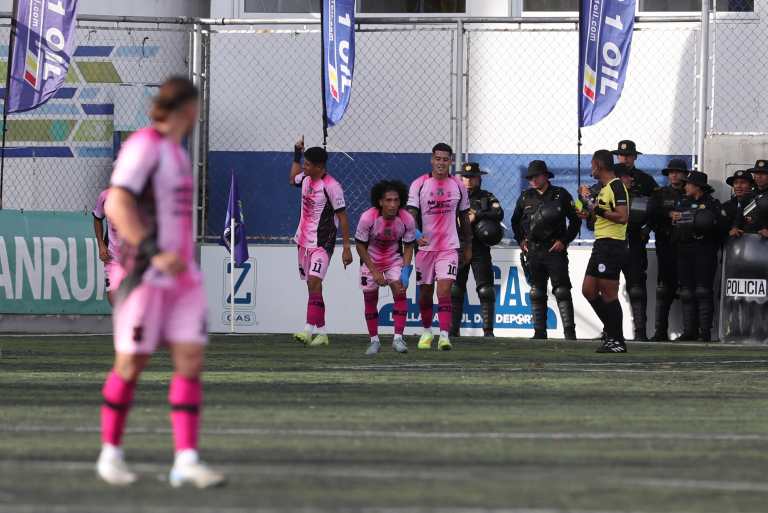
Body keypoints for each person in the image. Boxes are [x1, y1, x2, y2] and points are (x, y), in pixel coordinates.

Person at [97, 77, 224, 488]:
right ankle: (111, 455)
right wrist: (153, 251)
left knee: (190, 361)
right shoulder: (144, 147)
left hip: (182, 281)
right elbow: (117, 202)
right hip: (146, 276)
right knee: (131, 364)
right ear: (188, 108)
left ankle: (186, 460)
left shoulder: (177, 154)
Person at [407, 143, 472, 351]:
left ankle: (444, 335)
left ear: (451, 161)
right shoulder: (419, 184)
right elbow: (410, 215)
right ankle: (427, 331)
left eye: (445, 159)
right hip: (425, 248)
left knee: (444, 290)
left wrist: (468, 245)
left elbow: (464, 216)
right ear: (431, 159)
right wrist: (416, 236)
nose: (441, 163)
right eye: (438, 159)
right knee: (425, 293)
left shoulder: (458, 185)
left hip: (449, 247)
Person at [289, 138, 353, 347]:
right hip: (303, 241)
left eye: (308, 164)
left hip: (322, 244)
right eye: (304, 163)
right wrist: (296, 154)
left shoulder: (332, 186)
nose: (304, 167)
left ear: (319, 167)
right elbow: (292, 180)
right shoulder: (306, 178)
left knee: (315, 282)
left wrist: (346, 248)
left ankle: (308, 330)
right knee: (313, 287)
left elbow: (343, 217)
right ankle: (322, 332)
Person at [511, 160, 581, 340]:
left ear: (545, 176)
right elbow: (515, 221)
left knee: (562, 290)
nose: (533, 180)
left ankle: (569, 333)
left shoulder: (560, 194)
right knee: (537, 291)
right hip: (534, 250)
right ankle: (539, 332)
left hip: (554, 249)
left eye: (536, 176)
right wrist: (521, 240)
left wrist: (564, 241)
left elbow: (575, 221)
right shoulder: (525, 197)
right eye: (530, 178)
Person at [355, 180, 417, 355]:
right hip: (371, 260)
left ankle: (398, 338)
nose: (393, 204)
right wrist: (375, 272)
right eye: (388, 200)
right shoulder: (368, 218)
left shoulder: (407, 219)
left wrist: (405, 272)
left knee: (400, 291)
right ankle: (374, 340)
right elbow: (360, 246)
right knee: (370, 299)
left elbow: (409, 246)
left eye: (396, 200)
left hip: (393, 260)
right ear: (380, 202)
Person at [578, 150, 630, 353]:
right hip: (601, 243)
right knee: (588, 290)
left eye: (592, 165)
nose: (591, 169)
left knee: (609, 293)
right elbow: (601, 213)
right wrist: (588, 213)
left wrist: (595, 207)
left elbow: (622, 217)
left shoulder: (616, 186)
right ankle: (611, 330)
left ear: (598, 165)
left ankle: (617, 340)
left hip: (612, 245)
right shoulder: (605, 188)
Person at [670, 171, 728, 341]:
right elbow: (675, 224)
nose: (685, 187)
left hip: (704, 251)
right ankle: (689, 331)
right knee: (686, 292)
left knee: (703, 291)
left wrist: (704, 222)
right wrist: (673, 216)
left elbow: (722, 226)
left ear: (697, 187)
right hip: (684, 251)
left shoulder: (712, 204)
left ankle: (705, 332)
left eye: (688, 184)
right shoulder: (682, 202)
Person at [450, 162, 504, 338]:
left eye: (472, 177)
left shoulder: (486, 197)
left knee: (485, 289)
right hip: (457, 247)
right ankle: (453, 330)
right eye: (465, 177)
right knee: (455, 289)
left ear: (479, 179)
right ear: (460, 179)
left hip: (479, 248)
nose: (468, 181)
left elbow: (499, 213)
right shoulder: (453, 196)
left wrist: (478, 214)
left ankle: (488, 331)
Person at [613, 141, 659, 341]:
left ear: (635, 157)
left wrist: (647, 229)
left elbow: (658, 209)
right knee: (608, 286)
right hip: (612, 240)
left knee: (636, 287)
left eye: (629, 155)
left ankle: (640, 332)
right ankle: (610, 331)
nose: (625, 158)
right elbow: (590, 209)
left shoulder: (646, 181)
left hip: (635, 239)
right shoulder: (608, 180)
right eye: (622, 155)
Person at [647, 159, 688, 341]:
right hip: (666, 245)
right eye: (671, 172)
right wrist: (668, 214)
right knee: (664, 289)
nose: (674, 175)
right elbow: (651, 213)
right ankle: (660, 331)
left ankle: (691, 332)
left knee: (688, 290)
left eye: (678, 172)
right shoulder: (660, 194)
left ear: (685, 174)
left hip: (687, 246)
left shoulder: (692, 192)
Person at [93, 188, 119, 305]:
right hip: (112, 257)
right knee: (113, 297)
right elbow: (97, 218)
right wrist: (101, 245)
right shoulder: (105, 196)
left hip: (134, 257)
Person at [732, 160, 768, 238]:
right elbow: (738, 217)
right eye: (756, 174)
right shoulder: (747, 196)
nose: (759, 176)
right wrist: (735, 227)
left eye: (763, 174)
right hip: (748, 241)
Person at [724, 169, 754, 235]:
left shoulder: (757, 204)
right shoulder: (726, 205)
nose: (738, 186)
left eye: (743, 183)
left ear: (751, 185)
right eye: (736, 183)